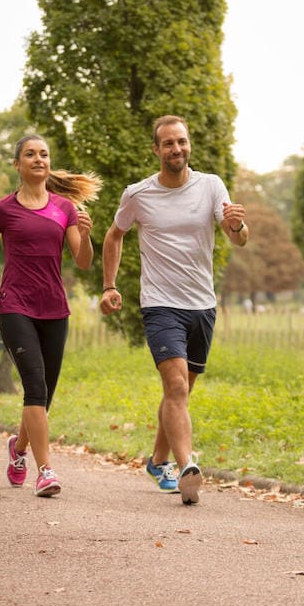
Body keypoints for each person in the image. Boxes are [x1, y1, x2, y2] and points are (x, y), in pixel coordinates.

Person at [99, 115, 248, 505]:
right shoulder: (138, 194)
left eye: (181, 141)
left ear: (189, 144)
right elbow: (115, 235)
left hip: (202, 305)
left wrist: (238, 226)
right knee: (177, 386)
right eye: (168, 143)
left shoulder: (212, 186)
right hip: (161, 304)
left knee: (179, 392)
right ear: (156, 149)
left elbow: (238, 238)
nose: (176, 149)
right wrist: (109, 285)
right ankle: (187, 467)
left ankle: (158, 460)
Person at [0, 134, 101, 497]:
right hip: (15, 306)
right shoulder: (2, 209)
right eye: (29, 154)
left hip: (54, 308)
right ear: (17, 164)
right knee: (34, 385)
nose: (38, 159)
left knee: (43, 396)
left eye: (43, 154)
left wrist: (88, 236)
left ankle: (18, 451)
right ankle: (45, 470)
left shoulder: (64, 209)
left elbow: (83, 261)